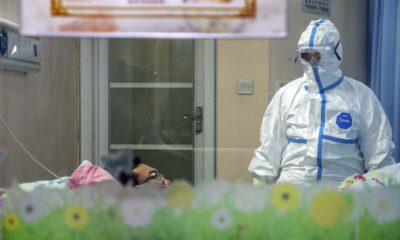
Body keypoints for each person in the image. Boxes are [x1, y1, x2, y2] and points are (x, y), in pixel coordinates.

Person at [248, 18, 395, 187]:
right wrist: (259, 189)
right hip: (291, 195)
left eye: (318, 55)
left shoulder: (361, 96)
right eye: (307, 56)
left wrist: (383, 196)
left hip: (343, 195)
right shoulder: (286, 95)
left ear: (336, 53)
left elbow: (379, 154)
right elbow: (269, 149)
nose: (312, 62)